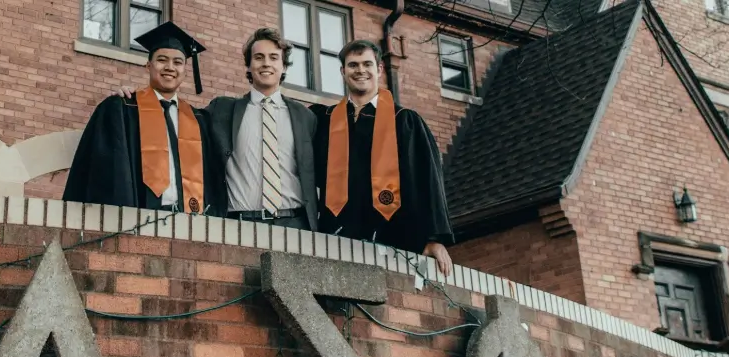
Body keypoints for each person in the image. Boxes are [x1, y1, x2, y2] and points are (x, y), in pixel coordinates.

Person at [114, 28, 318, 230]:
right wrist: (134, 97)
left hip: (295, 223)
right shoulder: (222, 111)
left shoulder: (306, 117)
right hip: (241, 222)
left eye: (274, 57)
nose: (266, 63)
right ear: (248, 66)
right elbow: (169, 117)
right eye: (258, 57)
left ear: (283, 66)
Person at [311, 40, 453, 274]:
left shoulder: (404, 120)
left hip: (392, 235)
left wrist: (433, 238)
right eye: (353, 65)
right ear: (342, 71)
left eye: (367, 64)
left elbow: (426, 179)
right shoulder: (326, 121)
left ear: (379, 69)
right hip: (337, 236)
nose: (360, 70)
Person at [62, 22, 226, 215]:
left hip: (190, 221)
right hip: (140, 220)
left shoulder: (199, 120)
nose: (170, 67)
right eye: (162, 60)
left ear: (185, 70)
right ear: (148, 66)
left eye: (177, 62)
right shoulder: (123, 109)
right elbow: (107, 175)